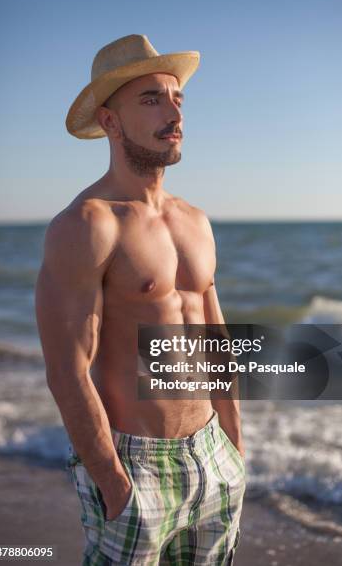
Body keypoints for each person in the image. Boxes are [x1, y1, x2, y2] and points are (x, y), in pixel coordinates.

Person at [35, 34, 246, 565]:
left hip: (212, 454)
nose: (173, 111)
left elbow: (215, 340)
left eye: (177, 98)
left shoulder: (195, 220)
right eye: (151, 99)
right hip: (135, 466)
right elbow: (67, 369)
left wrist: (234, 448)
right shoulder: (87, 224)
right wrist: (113, 482)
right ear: (110, 122)